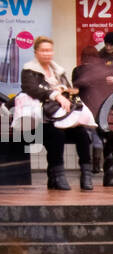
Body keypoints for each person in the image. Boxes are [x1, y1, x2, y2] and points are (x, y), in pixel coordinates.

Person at [19, 36, 96, 191]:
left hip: (62, 116)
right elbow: (31, 89)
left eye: (49, 50)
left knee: (81, 132)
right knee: (56, 133)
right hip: (41, 119)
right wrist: (55, 95)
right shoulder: (29, 71)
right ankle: (58, 175)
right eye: (43, 51)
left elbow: (68, 89)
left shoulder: (58, 71)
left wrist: (65, 91)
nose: (47, 54)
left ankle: (86, 174)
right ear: (36, 52)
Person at [73, 39, 113, 187]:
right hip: (110, 110)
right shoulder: (105, 69)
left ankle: (97, 166)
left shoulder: (80, 71)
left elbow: (77, 85)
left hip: (92, 110)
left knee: (98, 138)